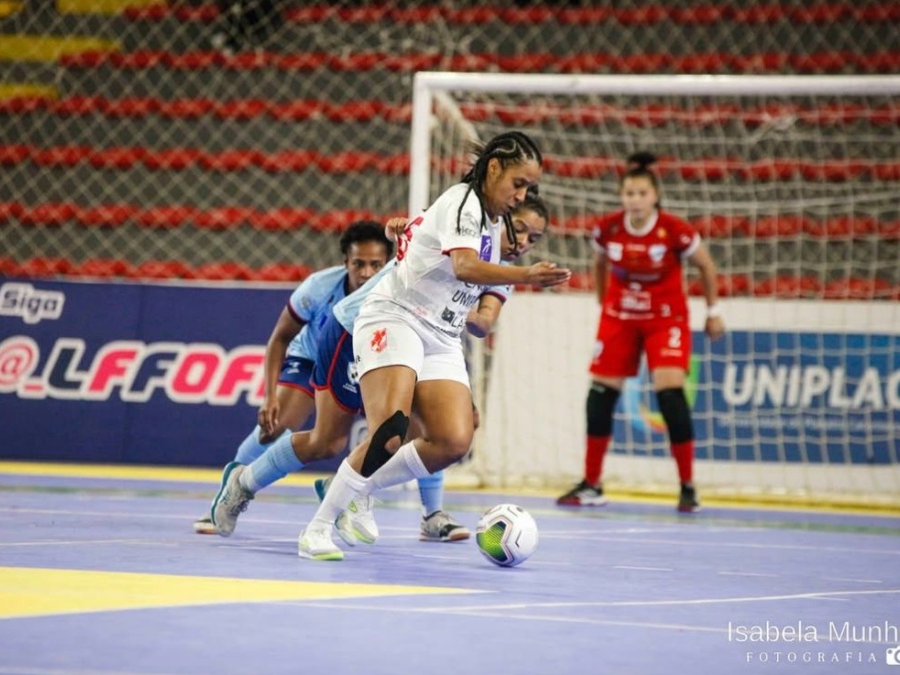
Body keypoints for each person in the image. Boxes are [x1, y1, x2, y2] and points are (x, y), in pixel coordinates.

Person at [209, 196, 554, 547]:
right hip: (358, 327)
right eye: (520, 230)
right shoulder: (461, 233)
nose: (524, 243)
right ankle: (245, 482)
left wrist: (457, 315)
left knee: (438, 431)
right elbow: (410, 232)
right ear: (501, 219)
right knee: (333, 440)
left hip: (411, 339)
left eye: (534, 239)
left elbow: (482, 322)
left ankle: (380, 497)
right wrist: (400, 230)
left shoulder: (502, 274)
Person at [296, 130, 572, 560]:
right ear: (494, 167)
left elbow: (426, 237)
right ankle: (317, 531)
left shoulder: (492, 221)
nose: (521, 195)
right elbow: (463, 265)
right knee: (389, 431)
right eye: (518, 183)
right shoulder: (465, 200)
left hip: (441, 335)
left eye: (528, 189)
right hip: (397, 316)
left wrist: (405, 231)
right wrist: (527, 277)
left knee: (452, 440)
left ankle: (358, 489)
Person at [194, 220, 391, 534]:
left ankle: (432, 515)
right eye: (358, 264)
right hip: (311, 358)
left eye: (375, 265)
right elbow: (280, 338)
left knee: (402, 430)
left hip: (362, 363)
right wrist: (269, 396)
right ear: (346, 263)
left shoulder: (394, 290)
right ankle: (228, 495)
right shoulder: (318, 287)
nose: (366, 272)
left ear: (387, 265)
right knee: (275, 427)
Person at [556, 151, 726, 513]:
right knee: (600, 394)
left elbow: (706, 266)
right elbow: (599, 263)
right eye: (629, 194)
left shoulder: (675, 231)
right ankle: (592, 483)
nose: (634, 200)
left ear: (654, 197)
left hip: (665, 318)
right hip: (621, 317)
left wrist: (713, 312)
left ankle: (687, 486)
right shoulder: (609, 229)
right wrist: (605, 307)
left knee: (669, 395)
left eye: (641, 193)